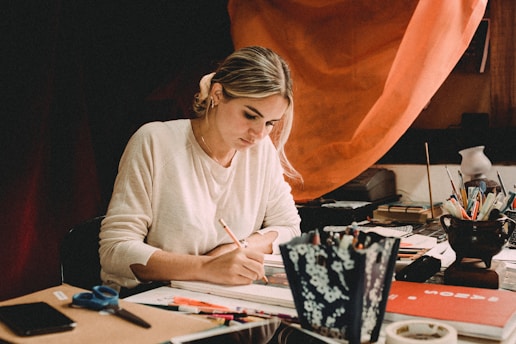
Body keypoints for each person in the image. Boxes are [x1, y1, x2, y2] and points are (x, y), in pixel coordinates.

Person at [99, 46, 302, 291]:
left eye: (270, 123)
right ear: (217, 94)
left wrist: (237, 250)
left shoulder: (261, 151)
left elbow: (290, 228)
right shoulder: (155, 142)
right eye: (250, 116)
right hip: (150, 300)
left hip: (217, 299)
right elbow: (115, 250)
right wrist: (206, 267)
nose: (259, 134)